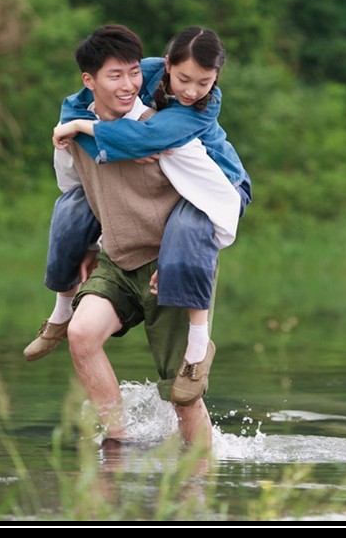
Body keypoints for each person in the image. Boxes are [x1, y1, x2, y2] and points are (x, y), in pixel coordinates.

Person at [38, 24, 243, 446]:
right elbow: (75, 189)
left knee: (182, 399)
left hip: (170, 264)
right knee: (82, 333)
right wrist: (92, 243)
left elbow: (219, 201)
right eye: (116, 75)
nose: (129, 83)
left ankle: (199, 482)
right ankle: (118, 446)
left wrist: (175, 260)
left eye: (132, 74)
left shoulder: (176, 129)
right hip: (118, 259)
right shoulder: (80, 124)